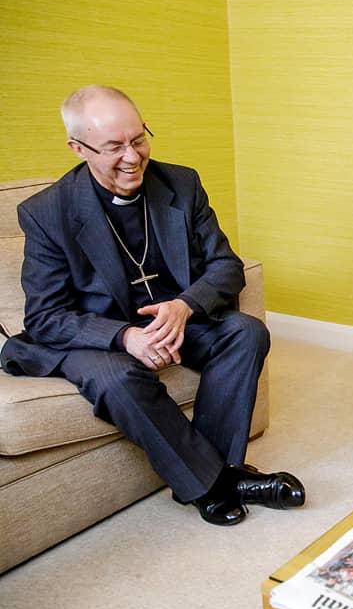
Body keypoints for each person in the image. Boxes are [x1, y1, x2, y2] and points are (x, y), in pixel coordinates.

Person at [0, 85, 305, 527]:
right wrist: (125, 336)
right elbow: (46, 316)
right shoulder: (48, 212)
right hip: (97, 334)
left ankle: (209, 477)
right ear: (77, 148)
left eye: (139, 139)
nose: (132, 156)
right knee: (117, 377)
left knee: (245, 331)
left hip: (173, 318)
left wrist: (183, 306)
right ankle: (220, 484)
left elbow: (226, 267)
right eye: (114, 147)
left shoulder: (180, 183)